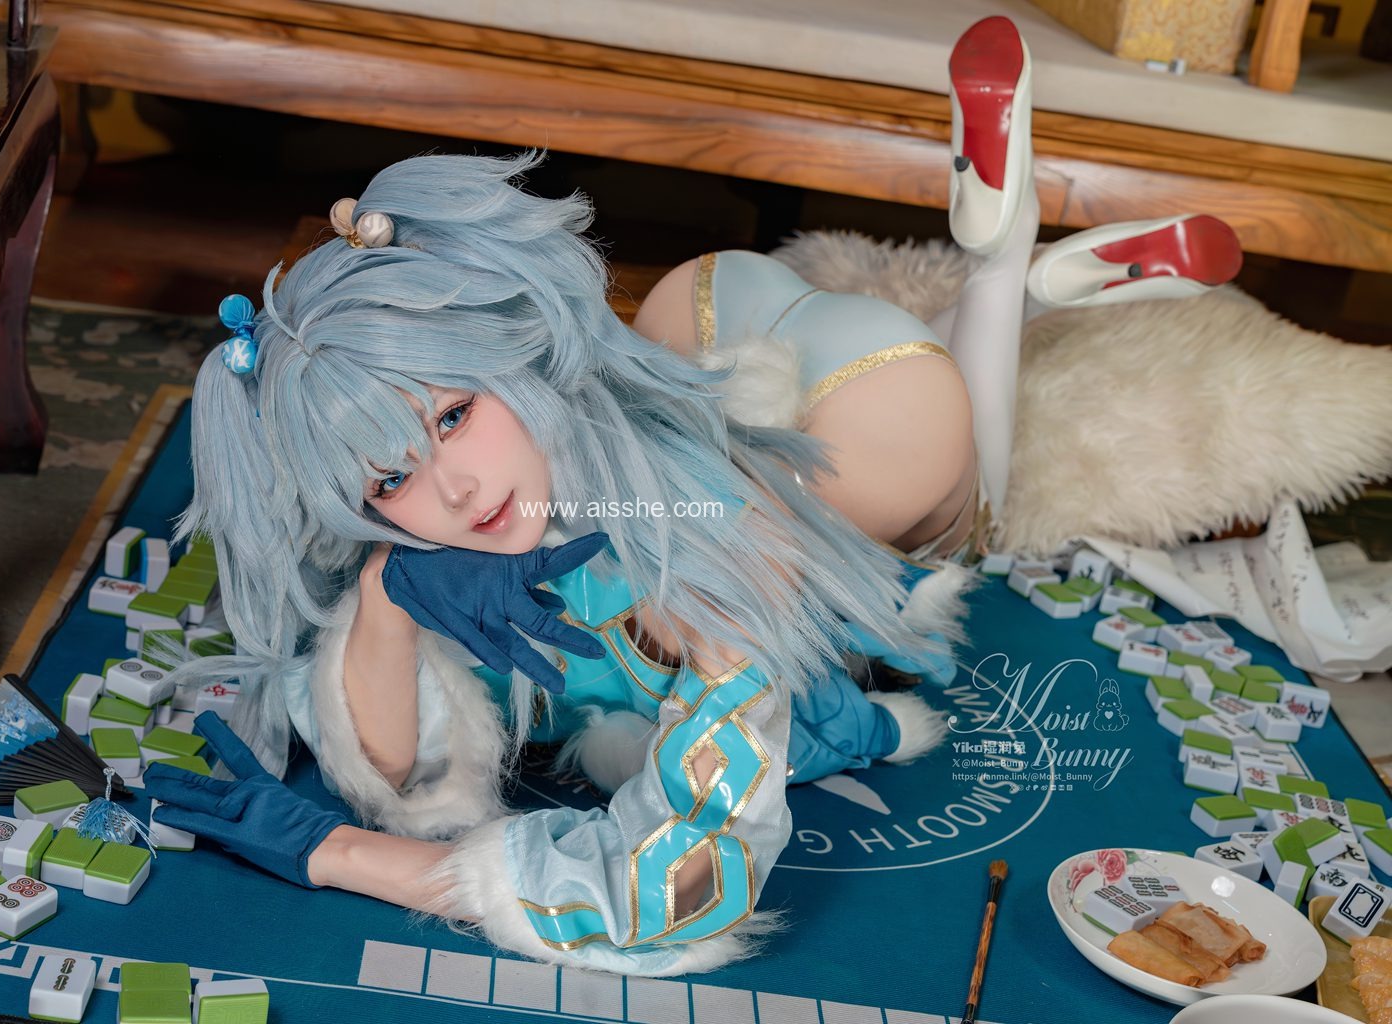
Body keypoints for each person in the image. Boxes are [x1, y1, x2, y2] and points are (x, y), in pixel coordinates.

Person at [148, 16, 1241, 975]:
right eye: (389, 476)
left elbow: (673, 892)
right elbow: (405, 769)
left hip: (854, 421)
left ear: (513, 356)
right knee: (793, 439)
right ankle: (1018, 275)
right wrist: (388, 596)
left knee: (959, 508)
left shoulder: (713, 552)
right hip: (701, 308)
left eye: (453, 415)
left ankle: (1008, 266)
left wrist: (340, 854)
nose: (456, 488)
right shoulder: (445, 528)